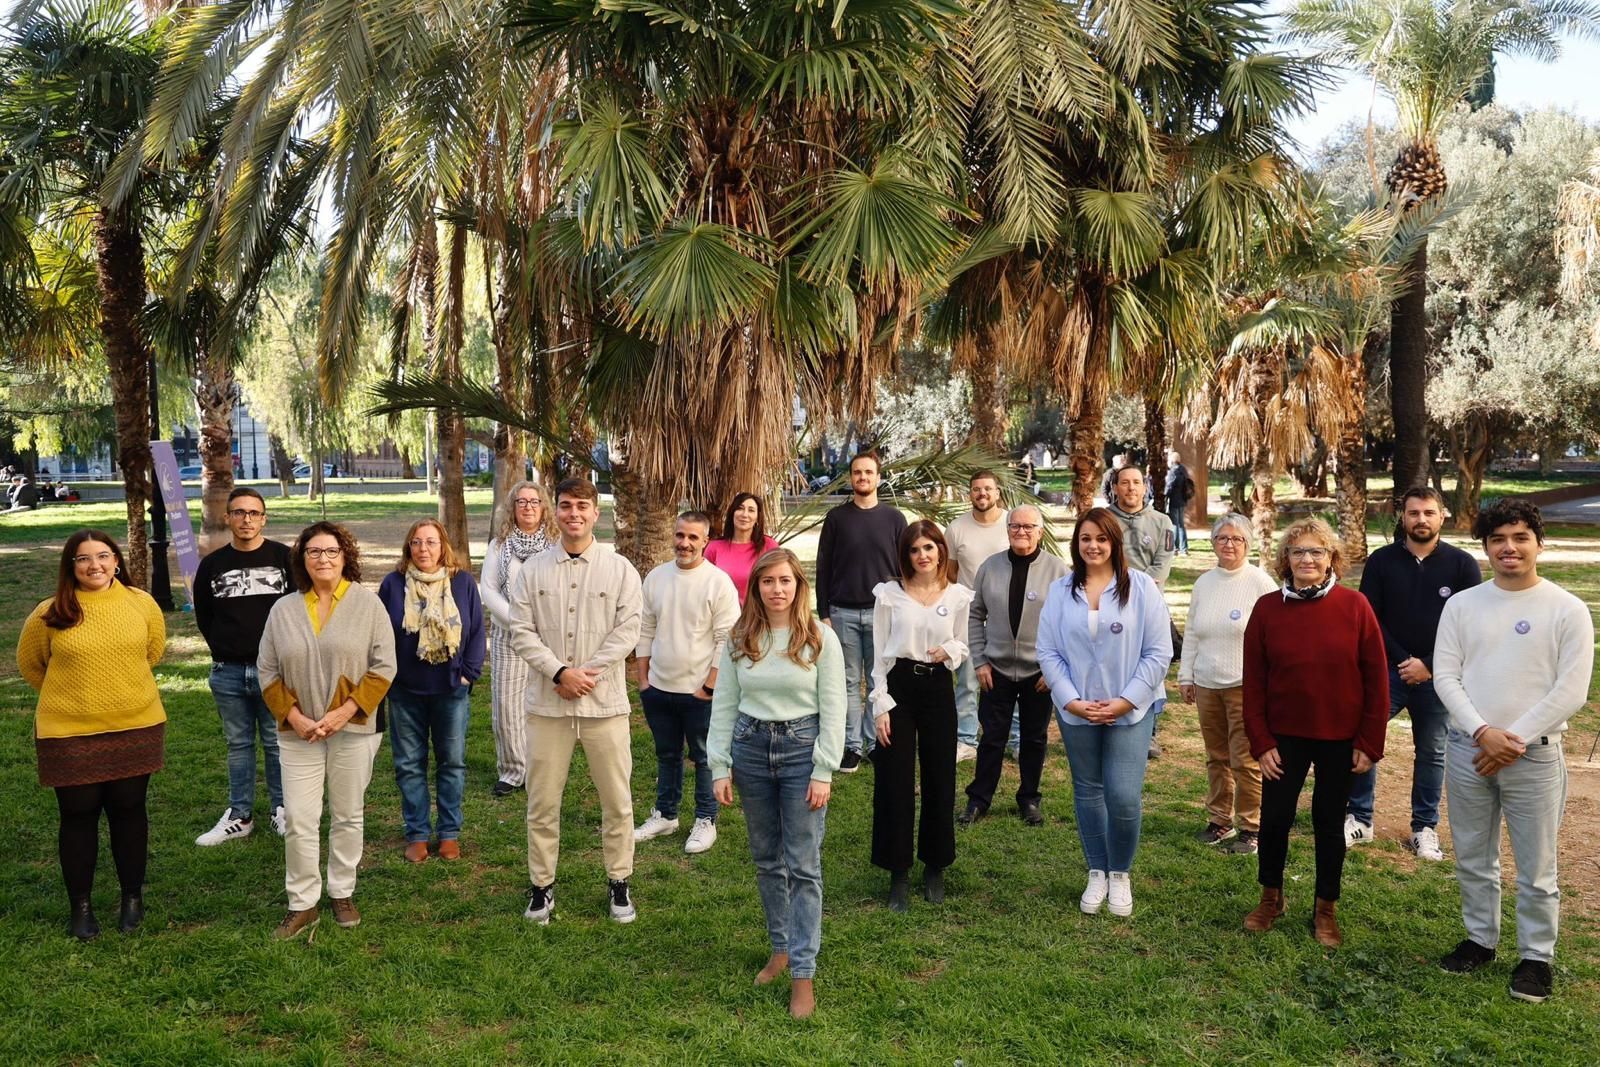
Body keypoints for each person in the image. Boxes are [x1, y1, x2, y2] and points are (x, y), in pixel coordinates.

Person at [1434, 498, 1594, 1003]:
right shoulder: (1462, 605)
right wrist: (1484, 732)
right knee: (1473, 857)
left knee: (1537, 866)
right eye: (1499, 538)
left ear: (1538, 544)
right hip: (1468, 750)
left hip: (1536, 757)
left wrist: (1512, 739)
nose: (1509, 547)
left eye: (1521, 537)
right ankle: (1480, 940)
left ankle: (1535, 958)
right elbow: (1445, 676)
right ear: (1485, 547)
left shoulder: (1566, 609)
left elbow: (1571, 691)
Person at [709, 548, 845, 1020]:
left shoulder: (820, 638)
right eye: (767, 582)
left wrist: (824, 768)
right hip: (750, 749)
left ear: (798, 585)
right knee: (768, 860)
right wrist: (719, 765)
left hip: (801, 752)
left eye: (785, 580)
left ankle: (803, 973)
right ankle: (781, 948)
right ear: (756, 588)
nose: (777, 589)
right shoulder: (740, 638)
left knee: (803, 865)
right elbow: (724, 702)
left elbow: (835, 709)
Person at [1241, 518, 1388, 948]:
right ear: (1285, 559)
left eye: (1317, 552)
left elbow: (1376, 679)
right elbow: (1254, 682)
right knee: (1275, 820)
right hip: (1283, 737)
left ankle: (1326, 907)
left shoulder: (1355, 607)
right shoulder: (1268, 608)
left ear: (1332, 560)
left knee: (1328, 824)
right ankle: (1271, 897)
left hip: (1339, 737)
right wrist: (1261, 741)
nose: (1307, 559)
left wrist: (1369, 741)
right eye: (1298, 551)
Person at [17, 531, 166, 940]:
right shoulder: (50, 612)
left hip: (136, 725)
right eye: (83, 559)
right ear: (71, 567)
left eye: (103, 556)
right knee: (79, 816)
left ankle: (131, 899)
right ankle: (80, 907)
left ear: (117, 561)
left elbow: (152, 652)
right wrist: (74, 698)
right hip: (69, 734)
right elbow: (32, 666)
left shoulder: (141, 604)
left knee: (129, 811)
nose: (94, 565)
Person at [509, 477, 643, 925]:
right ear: (555, 511)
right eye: (565, 506)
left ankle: (619, 881)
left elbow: (628, 628)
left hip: (604, 707)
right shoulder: (533, 570)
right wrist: (558, 673)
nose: (574, 514)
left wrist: (588, 674)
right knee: (543, 803)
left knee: (617, 801)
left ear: (595, 513)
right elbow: (520, 629)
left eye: (582, 506)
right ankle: (541, 887)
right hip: (548, 707)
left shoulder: (619, 569)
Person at [258, 522, 397, 940]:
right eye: (314, 552)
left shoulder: (367, 605)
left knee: (347, 814)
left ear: (345, 556)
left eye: (331, 551)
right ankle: (303, 903)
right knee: (300, 817)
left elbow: (384, 665)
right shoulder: (283, 610)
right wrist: (295, 717)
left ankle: (342, 890)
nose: (323, 559)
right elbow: (266, 670)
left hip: (353, 730)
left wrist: (346, 712)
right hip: (297, 733)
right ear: (302, 559)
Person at [1037, 508, 1173, 919]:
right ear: (1076, 545)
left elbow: (1159, 651)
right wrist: (1070, 700)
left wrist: (1128, 699)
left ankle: (1121, 873)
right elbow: (1048, 651)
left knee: (1123, 795)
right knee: (1088, 790)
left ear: (1114, 543)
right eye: (1085, 539)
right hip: (1077, 708)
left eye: (1101, 538)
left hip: (1130, 708)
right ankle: (1097, 868)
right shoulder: (1062, 591)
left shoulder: (1142, 588)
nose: (1093, 546)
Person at [1345, 487, 1481, 858]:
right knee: (1364, 738)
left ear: (1443, 516)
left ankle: (1424, 827)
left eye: (1428, 513)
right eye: (1414, 513)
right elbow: (1369, 618)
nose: (1421, 519)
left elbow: (1472, 626)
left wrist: (1430, 665)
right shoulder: (1382, 561)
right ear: (1402, 517)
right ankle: (1359, 818)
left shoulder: (1462, 565)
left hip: (1440, 677)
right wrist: (1405, 660)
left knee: (1432, 752)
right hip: (1388, 671)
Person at [868, 520, 972, 910]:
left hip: (937, 690)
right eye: (915, 550)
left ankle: (935, 866)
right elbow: (879, 654)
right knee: (894, 780)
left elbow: (961, 641)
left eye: (929, 547)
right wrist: (881, 704)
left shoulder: (958, 595)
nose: (923, 555)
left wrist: (952, 650)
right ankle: (898, 872)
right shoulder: (889, 595)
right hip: (899, 687)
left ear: (941, 551)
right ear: (906, 555)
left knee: (939, 777)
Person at [377, 519, 487, 862]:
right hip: (404, 690)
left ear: (443, 548)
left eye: (431, 542)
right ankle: (418, 833)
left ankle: (450, 833)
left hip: (451, 688)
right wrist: (388, 677)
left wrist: (468, 674)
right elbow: (379, 634)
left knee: (451, 763)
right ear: (408, 547)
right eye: (416, 543)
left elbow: (478, 630)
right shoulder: (393, 584)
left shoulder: (463, 583)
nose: (423, 549)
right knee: (409, 765)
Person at [192, 487, 295, 847]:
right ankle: (240, 815)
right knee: (238, 744)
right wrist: (224, 648)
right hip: (229, 671)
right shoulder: (212, 565)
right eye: (239, 512)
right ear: (228, 518)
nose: (246, 519)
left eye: (253, 513)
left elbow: (299, 612)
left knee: (276, 742)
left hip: (274, 671)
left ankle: (282, 810)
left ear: (264, 518)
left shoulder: (286, 559)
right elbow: (205, 616)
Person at [634, 511, 741, 854]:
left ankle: (705, 820)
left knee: (704, 757)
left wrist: (709, 687)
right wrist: (643, 680)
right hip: (658, 688)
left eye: (693, 537)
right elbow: (645, 628)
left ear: (705, 541)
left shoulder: (717, 582)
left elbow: (728, 640)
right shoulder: (656, 577)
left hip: (701, 692)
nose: (685, 543)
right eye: (680, 535)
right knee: (667, 755)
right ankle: (665, 814)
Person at [959, 504, 1068, 827]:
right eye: (1015, 526)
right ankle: (979, 800)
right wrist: (979, 660)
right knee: (992, 737)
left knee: (1034, 739)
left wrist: (1054, 669)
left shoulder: (1058, 570)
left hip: (1039, 672)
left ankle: (1029, 799)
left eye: (1028, 527)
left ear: (1040, 531)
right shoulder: (990, 567)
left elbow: (1068, 624)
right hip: (996, 670)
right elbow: (975, 614)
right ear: (1007, 530)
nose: (1021, 532)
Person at [1177, 514, 1278, 854]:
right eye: (1222, 538)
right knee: (1216, 757)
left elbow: (1274, 638)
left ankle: (1252, 827)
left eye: (1236, 539)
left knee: (1245, 759)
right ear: (1213, 542)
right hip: (1206, 683)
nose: (1229, 544)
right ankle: (1220, 820)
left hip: (1244, 686)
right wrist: (1186, 675)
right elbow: (1191, 631)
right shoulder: (1204, 583)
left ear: (1248, 544)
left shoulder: (1261, 583)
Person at [814, 450, 906, 772]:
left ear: (878, 478)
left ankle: (874, 742)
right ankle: (851, 746)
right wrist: (823, 611)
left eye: (868, 472)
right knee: (849, 681)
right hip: (843, 612)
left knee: (879, 678)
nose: (863, 477)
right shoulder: (837, 519)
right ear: (851, 478)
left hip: (884, 613)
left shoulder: (894, 519)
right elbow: (823, 566)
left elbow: (903, 568)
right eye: (857, 473)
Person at [479, 480, 553, 798]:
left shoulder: (555, 544)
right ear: (512, 507)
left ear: (543, 507)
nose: (527, 507)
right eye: (521, 502)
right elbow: (488, 589)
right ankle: (512, 770)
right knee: (508, 705)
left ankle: (541, 767)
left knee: (543, 704)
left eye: (534, 502)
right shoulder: (500, 545)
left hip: (547, 635)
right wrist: (517, 621)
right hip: (508, 633)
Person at [1107, 464, 1176, 759]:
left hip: (1148, 606)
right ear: (1115, 487)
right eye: (1124, 483)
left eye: (1136, 482)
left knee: (1149, 666)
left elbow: (1163, 563)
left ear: (1145, 487)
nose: (1131, 488)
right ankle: (1108, 718)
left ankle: (1149, 733)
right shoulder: (1104, 520)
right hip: (1110, 603)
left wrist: (1138, 589)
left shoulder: (1163, 523)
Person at [943, 470, 1009, 762]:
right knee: (967, 680)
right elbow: (950, 573)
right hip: (969, 615)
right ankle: (966, 739)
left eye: (988, 489)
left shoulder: (1012, 522)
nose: (982, 494)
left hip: (1008, 613)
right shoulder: (956, 528)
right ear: (969, 493)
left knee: (1010, 678)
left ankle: (1014, 739)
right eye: (976, 489)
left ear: (997, 493)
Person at [704, 492, 781, 605]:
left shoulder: (770, 546)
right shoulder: (714, 547)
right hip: (722, 617)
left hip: (759, 616)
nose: (745, 514)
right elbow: (704, 584)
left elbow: (779, 582)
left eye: (751, 510)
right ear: (732, 513)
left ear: (757, 518)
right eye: (740, 508)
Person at [1163, 450, 1193, 556]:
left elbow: (1170, 486)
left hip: (1174, 501)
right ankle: (1184, 548)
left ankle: (1175, 548)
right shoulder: (1183, 470)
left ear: (1171, 460)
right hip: (1182, 500)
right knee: (1181, 525)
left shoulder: (1173, 472)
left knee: (1174, 525)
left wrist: (1164, 495)